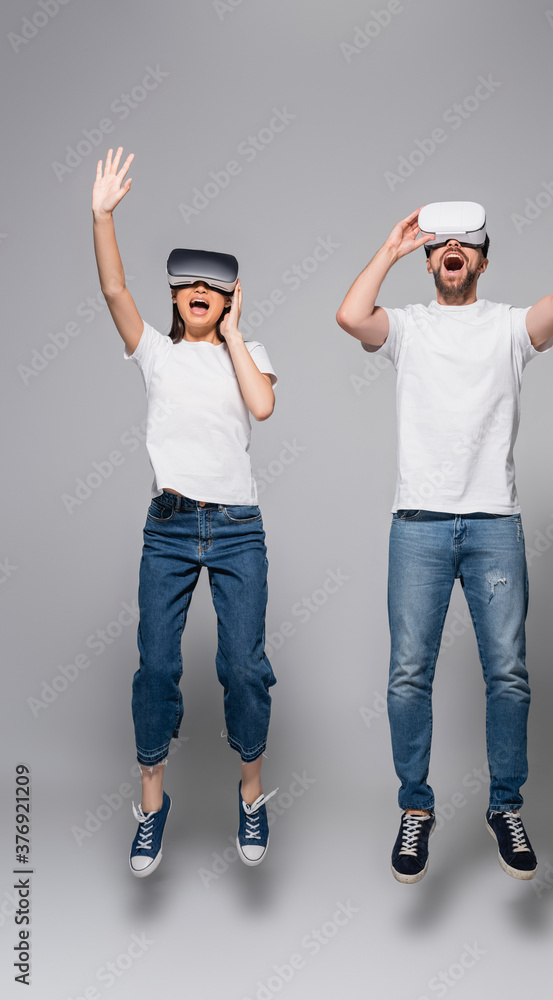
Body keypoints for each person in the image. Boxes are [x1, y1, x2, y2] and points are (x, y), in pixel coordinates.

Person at [336, 162, 553, 883]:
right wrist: (389, 249)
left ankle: (503, 806)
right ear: (430, 260)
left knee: (508, 676)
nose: (451, 251)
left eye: (465, 244)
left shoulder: (508, 328)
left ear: (481, 260)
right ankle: (415, 808)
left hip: (492, 522)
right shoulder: (406, 327)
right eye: (439, 245)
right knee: (407, 676)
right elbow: (348, 316)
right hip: (419, 525)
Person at [92, 147, 279, 877]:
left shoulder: (247, 349)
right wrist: (103, 216)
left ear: (229, 299)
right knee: (157, 668)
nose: (200, 289)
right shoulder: (156, 355)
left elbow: (260, 405)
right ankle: (150, 804)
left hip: (237, 530)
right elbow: (113, 291)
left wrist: (235, 333)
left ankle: (252, 793)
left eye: (215, 285)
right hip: (168, 528)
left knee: (243, 667)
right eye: (188, 283)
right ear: (174, 298)